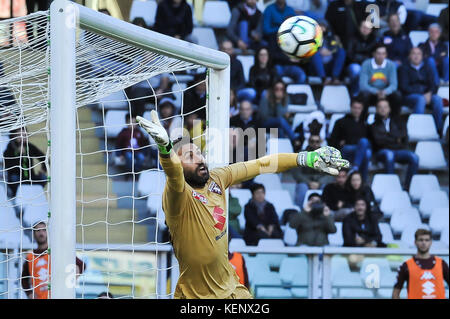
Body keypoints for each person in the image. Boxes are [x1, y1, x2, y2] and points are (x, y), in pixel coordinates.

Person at [135, 110, 349, 298]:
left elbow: (260, 164)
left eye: (200, 153)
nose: (200, 159)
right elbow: (173, 174)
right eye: (190, 156)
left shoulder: (217, 178)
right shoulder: (177, 196)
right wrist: (165, 149)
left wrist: (304, 158)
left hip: (232, 290)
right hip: (197, 297)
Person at [21, 221, 85, 299]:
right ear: (33, 234)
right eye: (38, 230)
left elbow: (81, 265)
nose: (41, 233)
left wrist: (69, 282)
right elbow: (24, 279)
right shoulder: (30, 257)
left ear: (48, 232)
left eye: (44, 230)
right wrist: (29, 294)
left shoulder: (57, 251)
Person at [369, 98, 418, 190]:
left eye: (385, 107)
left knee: (414, 157)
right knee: (389, 154)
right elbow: (379, 142)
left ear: (389, 109)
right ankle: (392, 187)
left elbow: (403, 136)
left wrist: (387, 137)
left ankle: (407, 187)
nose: (383, 109)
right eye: (380, 107)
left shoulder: (399, 122)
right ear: (376, 109)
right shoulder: (373, 125)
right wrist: (395, 139)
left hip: (399, 151)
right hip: (382, 153)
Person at [392, 228, 449, 299]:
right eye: (421, 240)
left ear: (431, 242)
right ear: (415, 242)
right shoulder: (406, 265)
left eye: (427, 240)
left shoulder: (441, 263)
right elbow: (395, 293)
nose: (424, 243)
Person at [398, 47, 444, 134]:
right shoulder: (403, 68)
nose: (416, 56)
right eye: (413, 53)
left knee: (438, 99)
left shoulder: (427, 67)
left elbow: (433, 84)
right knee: (420, 99)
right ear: (409, 56)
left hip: (427, 94)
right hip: (409, 96)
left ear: (422, 56)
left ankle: (438, 130)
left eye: (418, 54)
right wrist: (423, 94)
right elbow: (404, 87)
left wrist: (430, 93)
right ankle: (418, 130)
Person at [263, 0, 306, 84]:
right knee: (276, 75)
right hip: (279, 65)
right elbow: (272, 54)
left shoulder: (297, 38)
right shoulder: (275, 36)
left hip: (292, 66)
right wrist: (289, 59)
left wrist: (299, 59)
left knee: (302, 76)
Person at [328, 97, 371, 181]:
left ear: (362, 109)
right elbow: (332, 140)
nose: (356, 110)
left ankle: (356, 170)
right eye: (355, 108)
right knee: (365, 147)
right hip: (346, 150)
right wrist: (339, 143)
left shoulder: (364, 124)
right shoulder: (341, 122)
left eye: (359, 108)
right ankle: (360, 176)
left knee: (366, 151)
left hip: (360, 151)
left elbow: (370, 141)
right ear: (351, 108)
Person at [359, 43, 402, 117]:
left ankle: (394, 121)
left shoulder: (391, 65)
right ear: (373, 54)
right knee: (364, 95)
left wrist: (385, 92)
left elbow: (394, 85)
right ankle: (363, 121)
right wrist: (376, 92)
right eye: (378, 53)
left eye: (383, 54)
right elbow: (363, 85)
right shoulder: (366, 64)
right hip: (372, 94)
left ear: (386, 55)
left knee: (397, 95)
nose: (381, 56)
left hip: (386, 93)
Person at [291, 134, 334, 208]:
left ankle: (326, 209)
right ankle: (299, 209)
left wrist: (319, 183)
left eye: (317, 141)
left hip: (321, 181)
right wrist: (309, 182)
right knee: (302, 188)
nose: (315, 144)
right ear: (308, 142)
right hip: (305, 182)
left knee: (327, 188)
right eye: (312, 141)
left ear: (321, 142)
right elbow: (296, 173)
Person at [257, 79, 301, 150]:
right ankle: (294, 139)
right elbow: (263, 117)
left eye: (281, 89)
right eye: (276, 89)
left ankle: (282, 151)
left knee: (279, 129)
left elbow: (282, 116)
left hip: (277, 124)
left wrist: (278, 102)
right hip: (264, 124)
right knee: (280, 121)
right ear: (273, 89)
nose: (279, 91)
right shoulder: (266, 97)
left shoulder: (286, 98)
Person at [3, 127, 47, 196]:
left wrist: (43, 169)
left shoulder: (29, 146)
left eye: (25, 135)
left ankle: (35, 195)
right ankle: (15, 196)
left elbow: (44, 158)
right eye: (20, 135)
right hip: (17, 178)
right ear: (14, 136)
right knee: (14, 178)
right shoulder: (10, 148)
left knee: (43, 177)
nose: (23, 138)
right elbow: (8, 165)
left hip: (30, 177)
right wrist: (19, 156)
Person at [346, 20, 379, 96]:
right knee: (356, 70)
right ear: (359, 28)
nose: (365, 29)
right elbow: (349, 55)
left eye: (367, 28)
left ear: (371, 30)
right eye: (363, 27)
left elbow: (375, 55)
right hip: (354, 64)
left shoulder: (374, 40)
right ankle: (355, 94)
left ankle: (370, 96)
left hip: (369, 65)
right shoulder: (352, 38)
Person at [309, 20, 346, 85]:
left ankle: (335, 78)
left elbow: (336, 47)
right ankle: (323, 79)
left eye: (323, 26)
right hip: (315, 66)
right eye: (320, 26)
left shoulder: (332, 37)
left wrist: (330, 52)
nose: (322, 28)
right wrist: (319, 50)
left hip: (329, 65)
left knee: (341, 52)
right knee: (315, 54)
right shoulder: (311, 38)